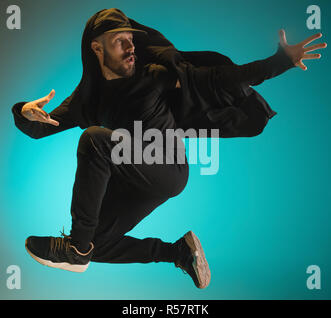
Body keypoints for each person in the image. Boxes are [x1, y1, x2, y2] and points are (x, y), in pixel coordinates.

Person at [11, 8, 326, 289]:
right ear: (97, 47)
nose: (130, 45)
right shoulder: (88, 96)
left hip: (167, 168)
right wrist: (24, 112)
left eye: (131, 39)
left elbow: (222, 78)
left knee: (95, 139)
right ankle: (177, 252)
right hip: (132, 178)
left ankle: (75, 251)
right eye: (119, 40)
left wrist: (279, 62)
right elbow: (43, 127)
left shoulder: (157, 76)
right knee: (98, 243)